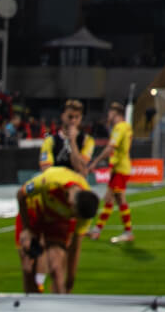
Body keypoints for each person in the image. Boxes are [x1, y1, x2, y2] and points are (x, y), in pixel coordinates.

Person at [38, 99, 95, 290]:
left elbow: (82, 169)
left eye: (76, 117)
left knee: (74, 246)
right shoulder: (50, 141)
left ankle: (66, 287)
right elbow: (46, 169)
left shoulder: (86, 140)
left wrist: (72, 142)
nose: (73, 121)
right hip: (55, 198)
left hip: (76, 199)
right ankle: (41, 285)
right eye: (70, 116)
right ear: (62, 116)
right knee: (48, 244)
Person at [15, 165, 99, 295]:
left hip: (56, 219)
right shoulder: (50, 180)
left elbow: (75, 247)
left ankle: (59, 304)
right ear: (72, 205)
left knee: (57, 269)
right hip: (34, 209)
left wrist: (70, 281)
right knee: (28, 268)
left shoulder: (85, 209)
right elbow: (21, 194)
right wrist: (26, 230)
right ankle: (33, 304)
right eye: (74, 215)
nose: (74, 219)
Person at [89, 101, 135, 243]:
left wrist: (96, 161)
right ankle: (98, 230)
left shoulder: (119, 128)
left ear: (115, 113)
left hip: (120, 168)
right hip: (120, 167)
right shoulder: (126, 126)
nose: (108, 115)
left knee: (116, 199)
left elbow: (110, 147)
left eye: (110, 112)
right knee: (112, 199)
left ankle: (126, 232)